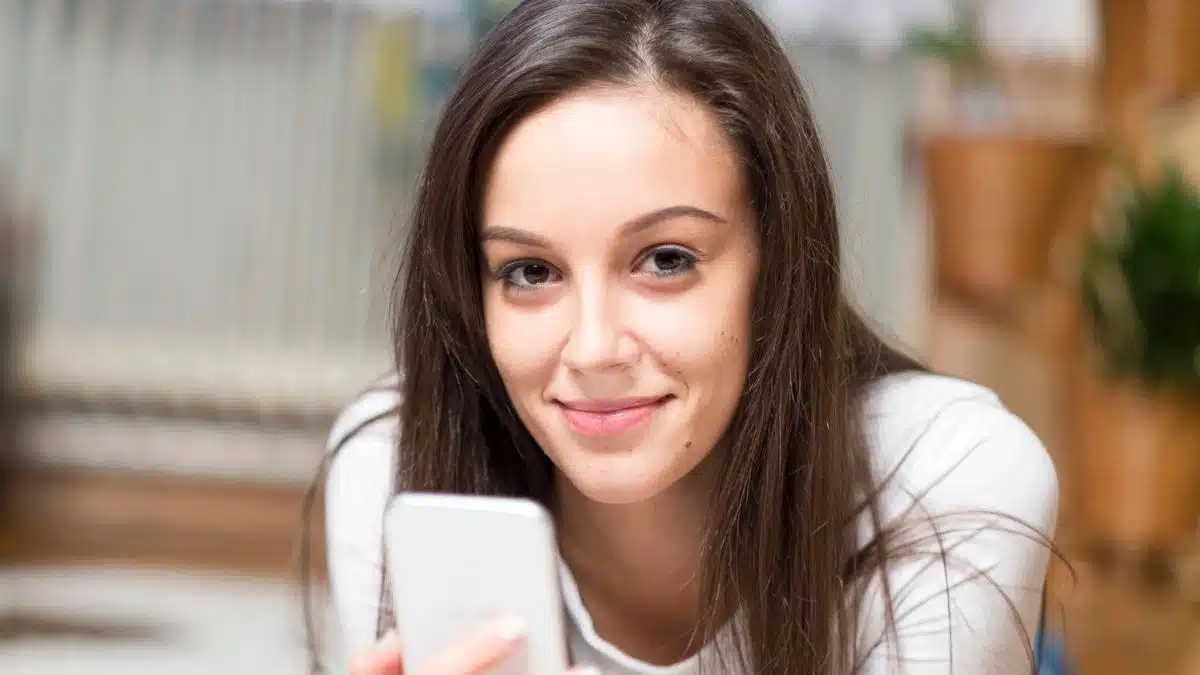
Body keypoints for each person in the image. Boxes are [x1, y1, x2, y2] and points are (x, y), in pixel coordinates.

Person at [315, 1, 1060, 673]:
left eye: (666, 260)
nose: (594, 348)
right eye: (530, 271)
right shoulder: (395, 461)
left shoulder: (947, 479)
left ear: (777, 264)